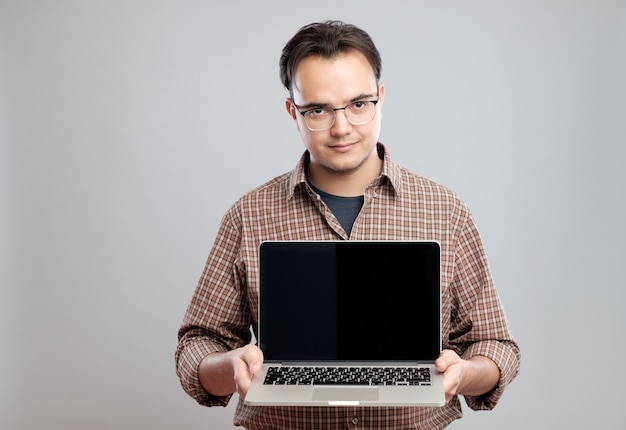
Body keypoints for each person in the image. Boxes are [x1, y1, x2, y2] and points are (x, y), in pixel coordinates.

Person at [176, 20, 520, 429]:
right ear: (293, 112)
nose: (341, 128)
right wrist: (229, 365)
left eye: (358, 104)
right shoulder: (248, 215)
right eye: (318, 109)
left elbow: (497, 348)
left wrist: (464, 373)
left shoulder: (445, 211)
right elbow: (195, 348)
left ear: (381, 98)